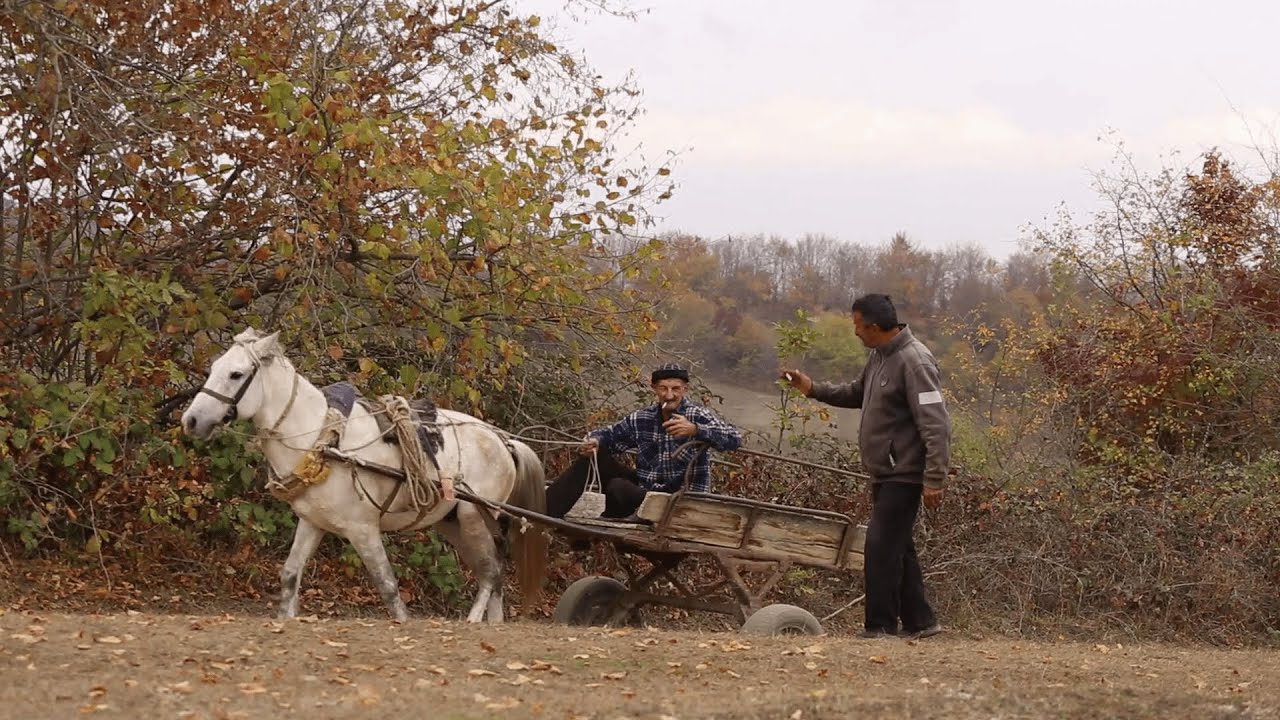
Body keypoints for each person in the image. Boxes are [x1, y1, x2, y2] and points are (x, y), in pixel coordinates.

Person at [780, 293, 949, 640]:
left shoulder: (915, 362)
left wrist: (934, 477)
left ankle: (879, 626)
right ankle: (921, 622)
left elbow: (936, 425)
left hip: (904, 473)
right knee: (898, 546)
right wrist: (812, 389)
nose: (855, 332)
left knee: (879, 546)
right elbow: (857, 393)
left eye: (857, 325)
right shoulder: (879, 357)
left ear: (873, 326)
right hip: (885, 472)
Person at [545, 363, 743, 521]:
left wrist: (696, 430)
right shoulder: (643, 418)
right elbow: (611, 436)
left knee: (618, 488)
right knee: (595, 459)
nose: (669, 395)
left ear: (685, 389)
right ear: (654, 388)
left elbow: (734, 438)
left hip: (678, 501)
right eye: (663, 389)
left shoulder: (697, 415)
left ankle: (613, 519)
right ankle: (543, 513)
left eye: (675, 389)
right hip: (645, 490)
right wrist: (594, 441)